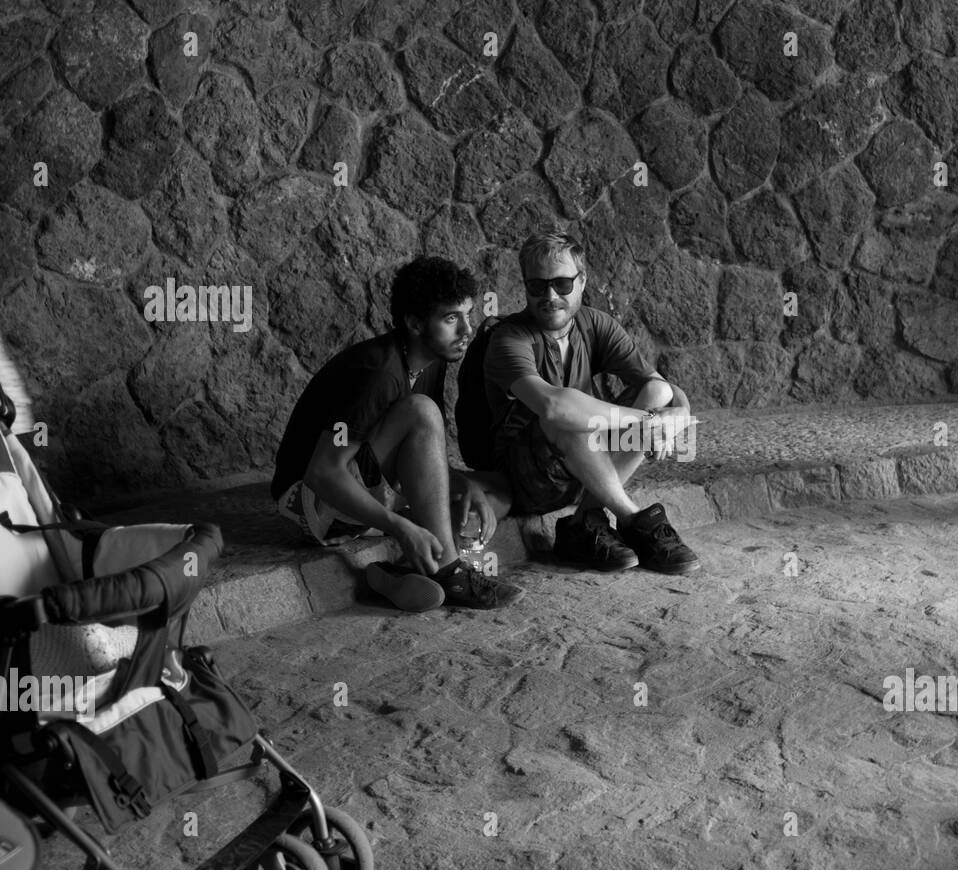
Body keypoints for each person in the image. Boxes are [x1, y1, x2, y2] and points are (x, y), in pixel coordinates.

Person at [271, 256, 523, 609]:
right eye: (451, 318)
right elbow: (323, 471)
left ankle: (398, 573)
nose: (467, 329)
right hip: (311, 503)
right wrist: (399, 528)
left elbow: (419, 452)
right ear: (415, 323)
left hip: (365, 487)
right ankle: (449, 573)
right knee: (421, 411)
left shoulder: (429, 363)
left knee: (496, 494)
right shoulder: (379, 373)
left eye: (468, 314)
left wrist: (466, 486)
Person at [480, 231, 701, 574]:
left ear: (582, 281)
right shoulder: (509, 338)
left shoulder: (595, 323)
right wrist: (647, 423)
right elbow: (554, 408)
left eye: (562, 284)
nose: (550, 296)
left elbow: (658, 384)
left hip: (587, 466)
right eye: (537, 286)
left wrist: (678, 414)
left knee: (657, 394)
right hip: (526, 479)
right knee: (566, 412)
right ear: (524, 286)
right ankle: (633, 520)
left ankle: (586, 520)